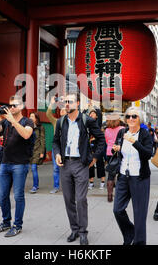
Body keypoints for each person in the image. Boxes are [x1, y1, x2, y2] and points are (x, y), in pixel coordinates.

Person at [53, 92, 105, 245]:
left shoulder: (87, 120)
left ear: (77, 104)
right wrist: (56, 154)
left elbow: (101, 139)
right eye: (65, 102)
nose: (66, 104)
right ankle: (74, 229)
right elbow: (55, 141)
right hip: (65, 164)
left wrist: (94, 157)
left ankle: (83, 232)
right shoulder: (61, 122)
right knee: (68, 199)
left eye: (70, 102)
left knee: (81, 199)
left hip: (81, 164)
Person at [0, 95, 34, 238]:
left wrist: (13, 120)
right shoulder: (5, 123)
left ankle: (17, 225)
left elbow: (26, 135)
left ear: (21, 107)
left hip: (20, 164)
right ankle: (6, 222)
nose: (11, 108)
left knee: (18, 196)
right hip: (5, 163)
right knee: (2, 195)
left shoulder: (28, 121)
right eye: (10, 105)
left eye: (14, 105)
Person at [110, 107, 152, 245]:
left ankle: (139, 242)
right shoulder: (122, 132)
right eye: (128, 116)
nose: (131, 119)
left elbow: (148, 154)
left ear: (140, 119)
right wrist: (115, 148)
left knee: (139, 214)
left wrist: (134, 142)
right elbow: (116, 149)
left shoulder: (145, 134)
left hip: (139, 178)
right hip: (123, 176)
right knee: (117, 209)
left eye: (134, 116)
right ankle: (129, 234)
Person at [46, 96, 67, 194]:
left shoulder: (71, 122)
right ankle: (56, 186)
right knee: (55, 168)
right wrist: (52, 103)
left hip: (67, 148)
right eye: (61, 110)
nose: (62, 111)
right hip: (57, 148)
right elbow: (48, 114)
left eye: (64, 110)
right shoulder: (56, 122)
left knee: (67, 168)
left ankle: (68, 187)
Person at [87, 108, 106, 190]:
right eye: (90, 113)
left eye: (93, 113)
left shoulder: (98, 124)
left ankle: (102, 182)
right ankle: (91, 182)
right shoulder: (87, 124)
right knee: (90, 164)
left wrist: (96, 109)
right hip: (90, 147)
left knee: (100, 164)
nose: (91, 114)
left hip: (98, 147)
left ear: (97, 116)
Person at [29, 112, 46, 194]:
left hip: (37, 150)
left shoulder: (40, 128)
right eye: (30, 116)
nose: (30, 117)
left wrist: (42, 151)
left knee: (33, 168)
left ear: (36, 118)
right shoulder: (28, 127)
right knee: (32, 168)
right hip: (29, 151)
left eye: (32, 116)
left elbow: (42, 140)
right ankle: (37, 184)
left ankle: (35, 186)